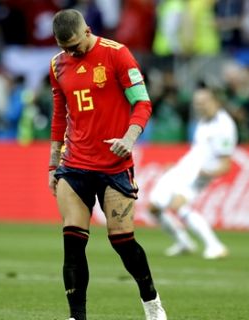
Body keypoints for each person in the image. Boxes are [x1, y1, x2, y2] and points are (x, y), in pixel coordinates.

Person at [47, 9, 167, 320]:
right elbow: (60, 114)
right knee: (72, 241)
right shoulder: (57, 65)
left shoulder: (117, 54)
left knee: (122, 241)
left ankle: (151, 302)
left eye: (76, 45)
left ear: (87, 30)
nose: (72, 52)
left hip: (114, 165)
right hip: (74, 165)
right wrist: (52, 164)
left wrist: (129, 138)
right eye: (65, 48)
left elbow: (142, 102)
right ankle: (77, 316)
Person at [148, 86, 237, 260]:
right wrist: (178, 167)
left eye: (204, 102)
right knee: (153, 208)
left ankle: (215, 246)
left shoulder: (225, 126)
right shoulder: (203, 121)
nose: (200, 106)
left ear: (215, 101)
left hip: (199, 175)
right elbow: (198, 151)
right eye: (197, 103)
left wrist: (206, 173)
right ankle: (184, 242)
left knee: (178, 205)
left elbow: (226, 165)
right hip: (184, 168)